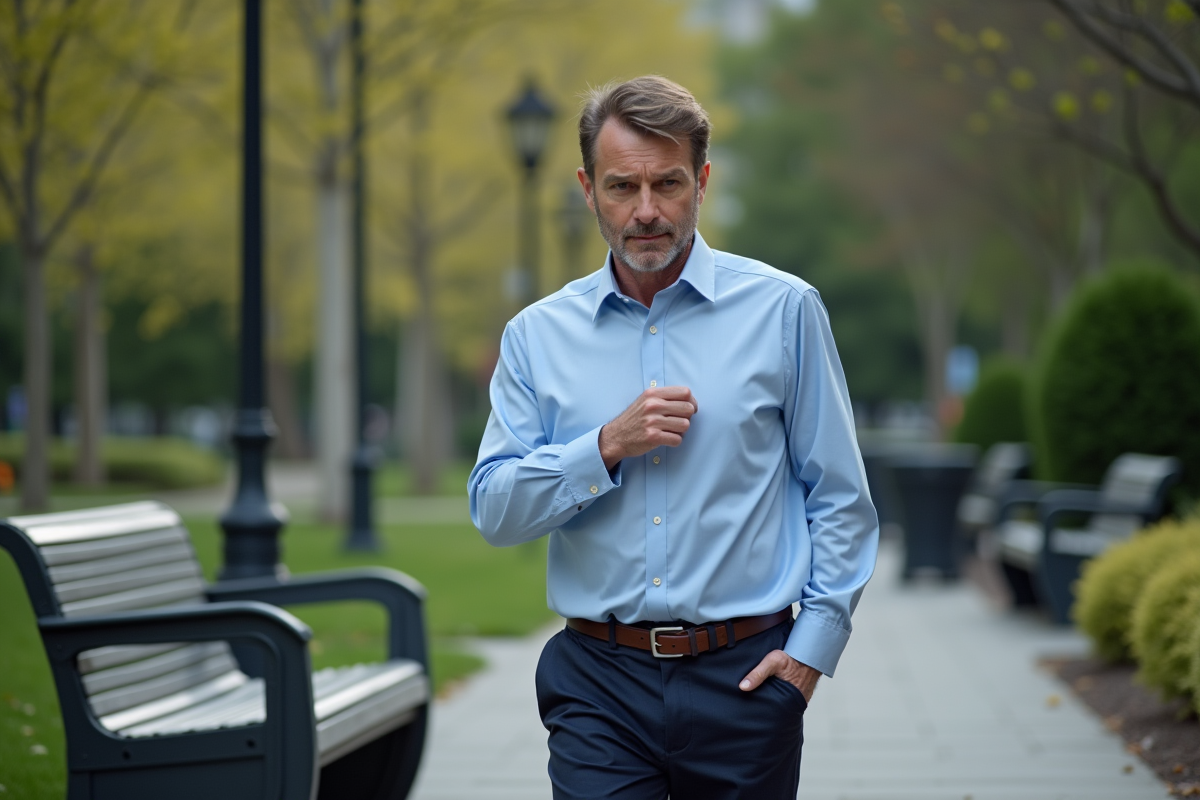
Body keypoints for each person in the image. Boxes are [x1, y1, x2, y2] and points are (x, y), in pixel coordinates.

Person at [468, 75, 878, 800]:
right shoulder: (536, 335)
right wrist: (604, 447)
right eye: (622, 186)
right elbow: (495, 510)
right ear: (588, 189)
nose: (647, 211)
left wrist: (811, 653)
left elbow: (840, 497)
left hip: (747, 680)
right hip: (598, 685)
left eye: (668, 183)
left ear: (703, 182)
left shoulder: (784, 311)